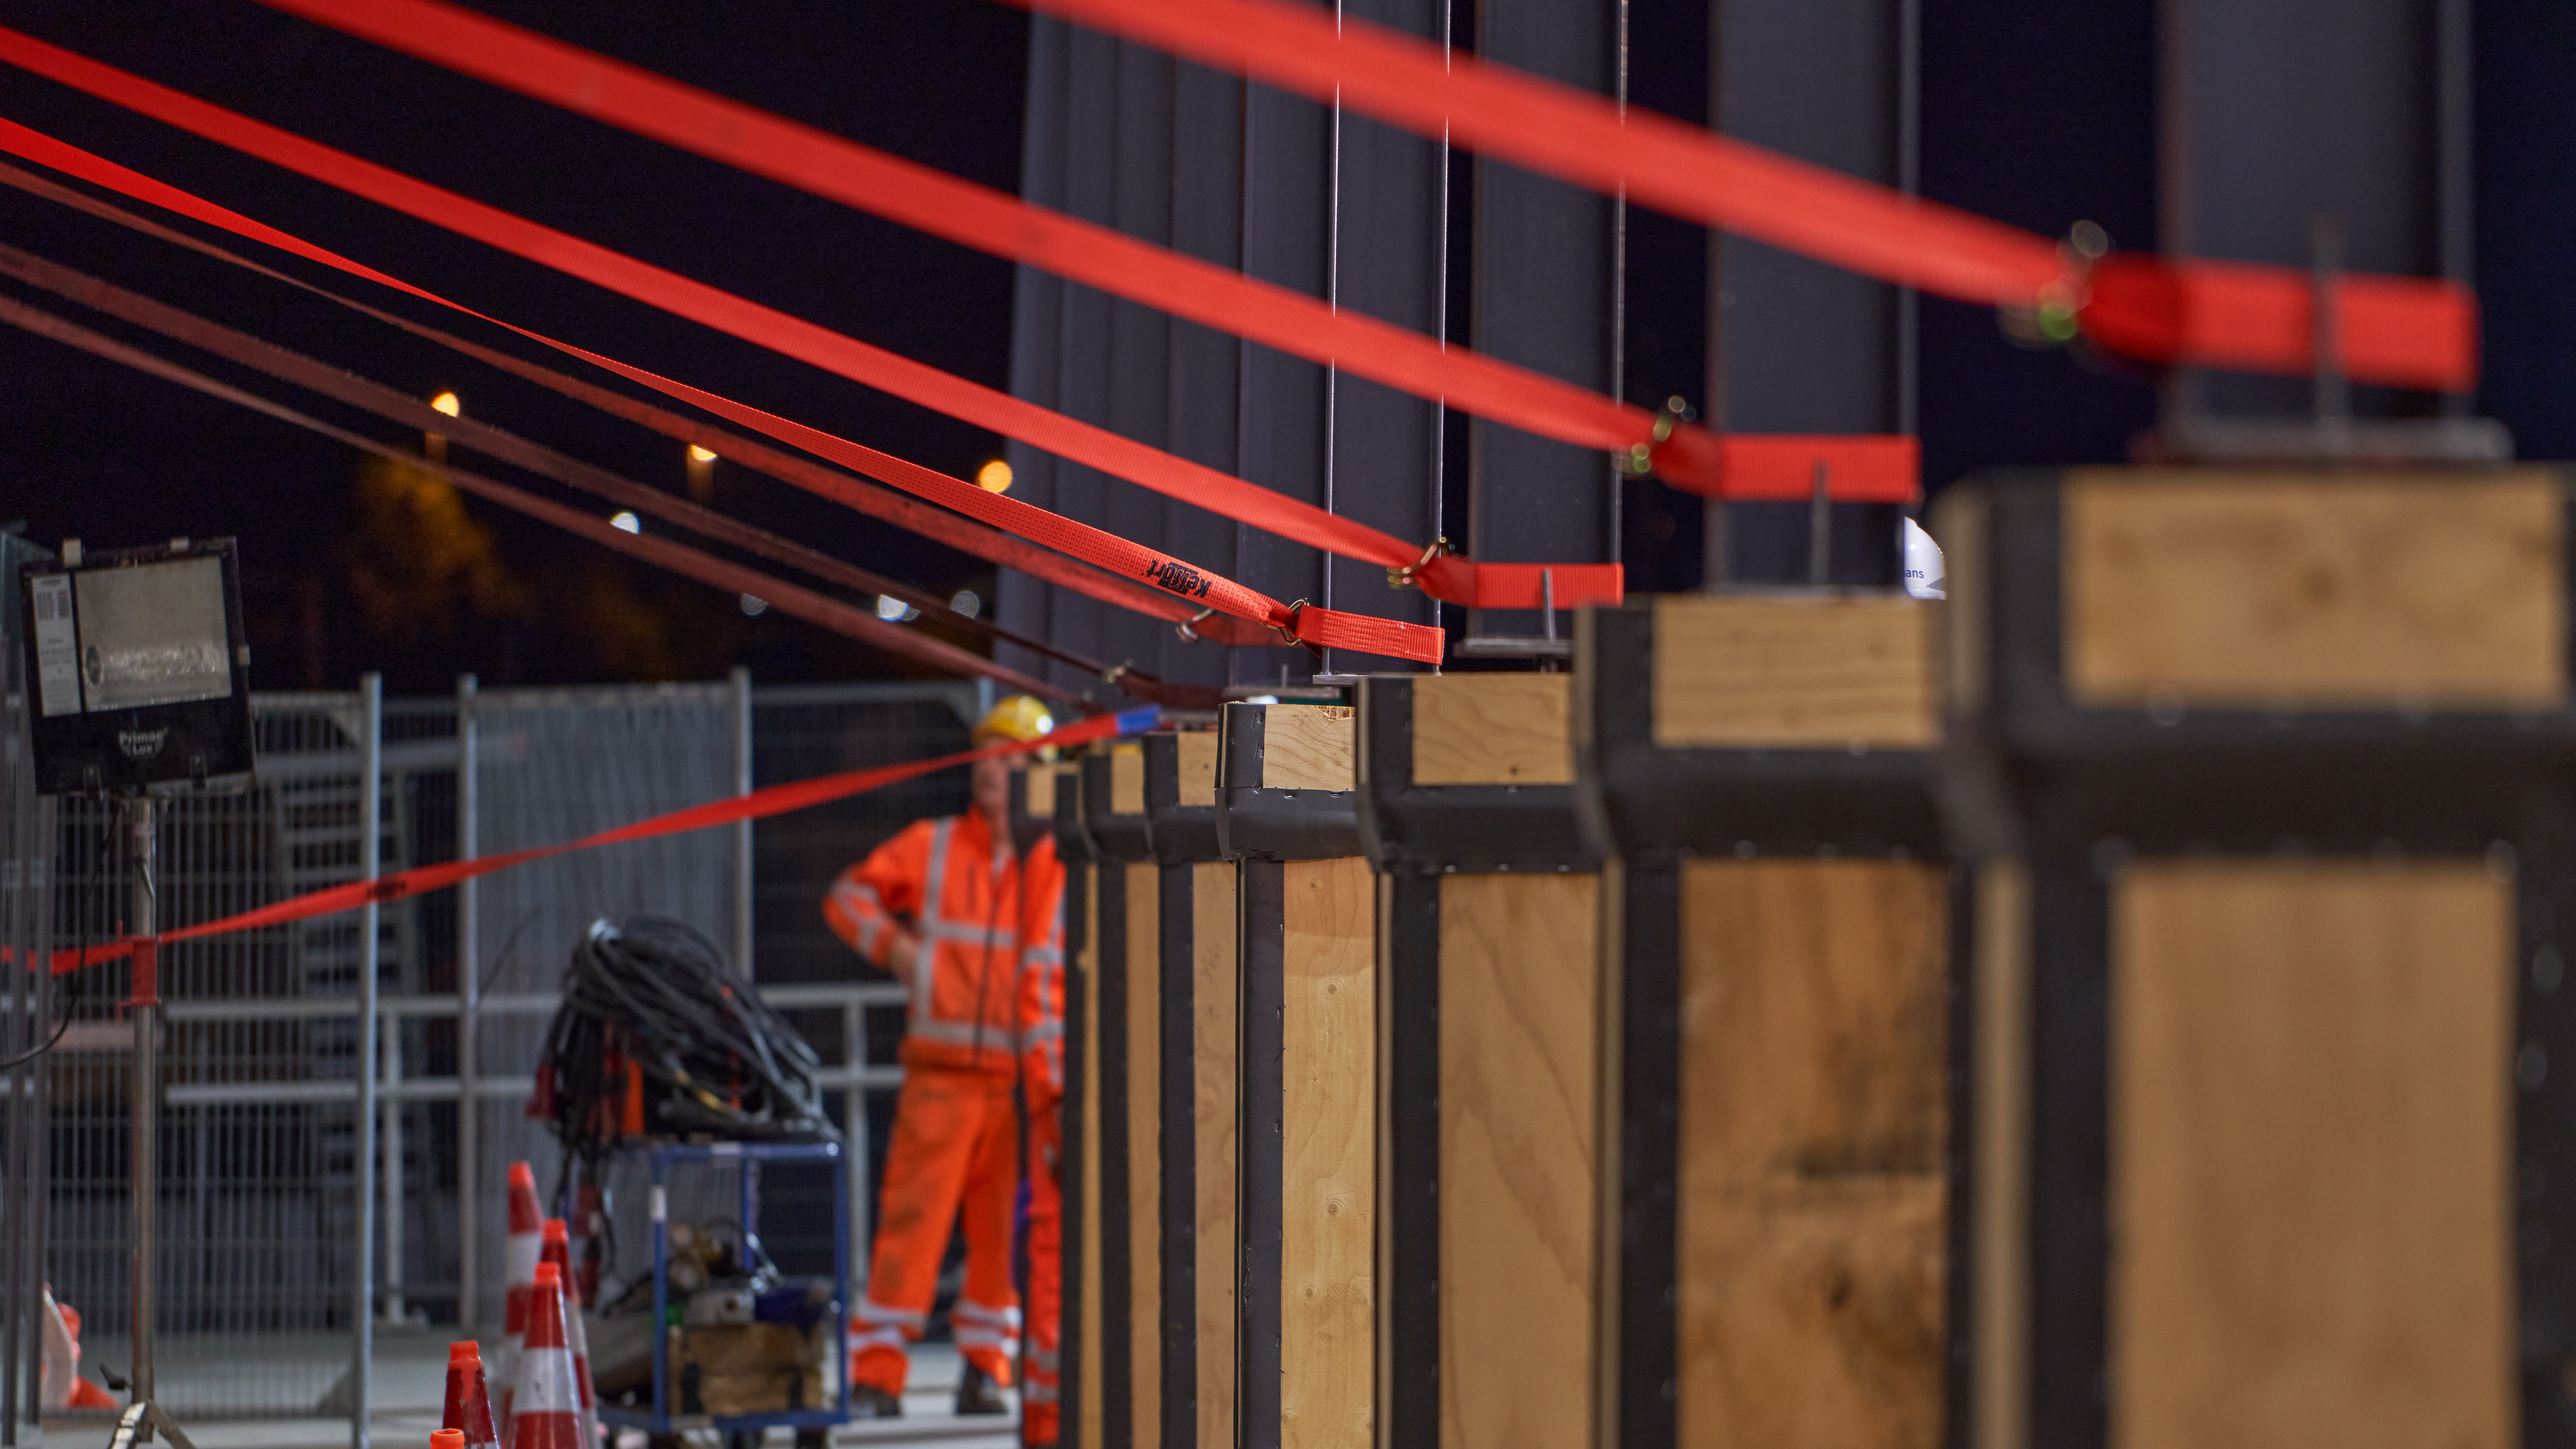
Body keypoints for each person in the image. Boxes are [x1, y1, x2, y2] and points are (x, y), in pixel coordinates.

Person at [824, 695, 1065, 1424]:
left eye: (1014, 755)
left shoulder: (1052, 862)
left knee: (1001, 1242)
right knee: (911, 1231)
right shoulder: (931, 845)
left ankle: (985, 1369)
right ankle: (877, 1374)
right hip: (940, 1078)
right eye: (989, 751)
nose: (996, 767)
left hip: (1016, 1089)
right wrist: (901, 953)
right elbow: (848, 897)